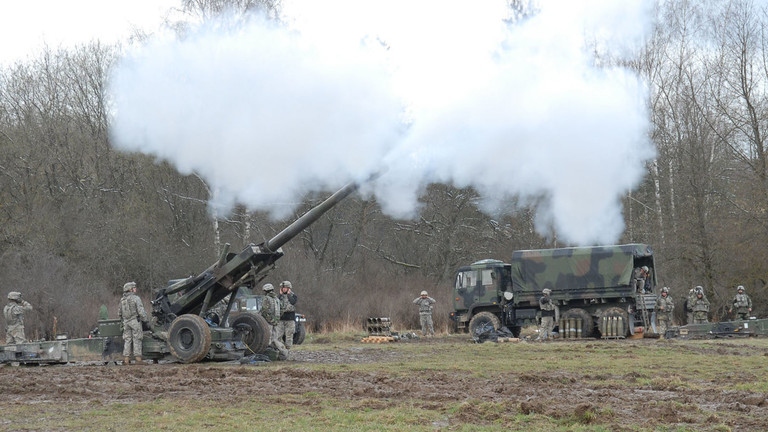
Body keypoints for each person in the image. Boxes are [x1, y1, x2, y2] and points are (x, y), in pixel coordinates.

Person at [118, 282, 149, 365]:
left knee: (127, 340)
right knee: (137, 339)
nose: (135, 289)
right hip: (135, 321)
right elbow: (141, 312)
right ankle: (138, 359)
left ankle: (126, 359)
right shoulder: (136, 298)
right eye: (134, 287)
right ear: (130, 289)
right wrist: (146, 320)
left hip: (126, 322)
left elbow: (119, 313)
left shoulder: (122, 300)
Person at [260, 283, 289, 360]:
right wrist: (277, 318)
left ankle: (268, 354)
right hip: (276, 322)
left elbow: (264, 311)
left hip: (268, 322)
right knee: (275, 339)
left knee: (268, 339)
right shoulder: (277, 299)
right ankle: (282, 352)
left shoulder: (266, 298)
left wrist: (268, 319)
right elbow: (282, 309)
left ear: (266, 290)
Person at [277, 281, 298, 349]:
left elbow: (293, 302)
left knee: (289, 335)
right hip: (281, 318)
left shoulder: (293, 296)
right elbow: (276, 302)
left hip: (290, 318)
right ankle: (278, 348)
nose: (284, 289)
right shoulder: (279, 297)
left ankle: (288, 349)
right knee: (278, 335)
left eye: (285, 288)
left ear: (289, 288)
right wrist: (280, 295)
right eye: (282, 288)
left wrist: (289, 295)